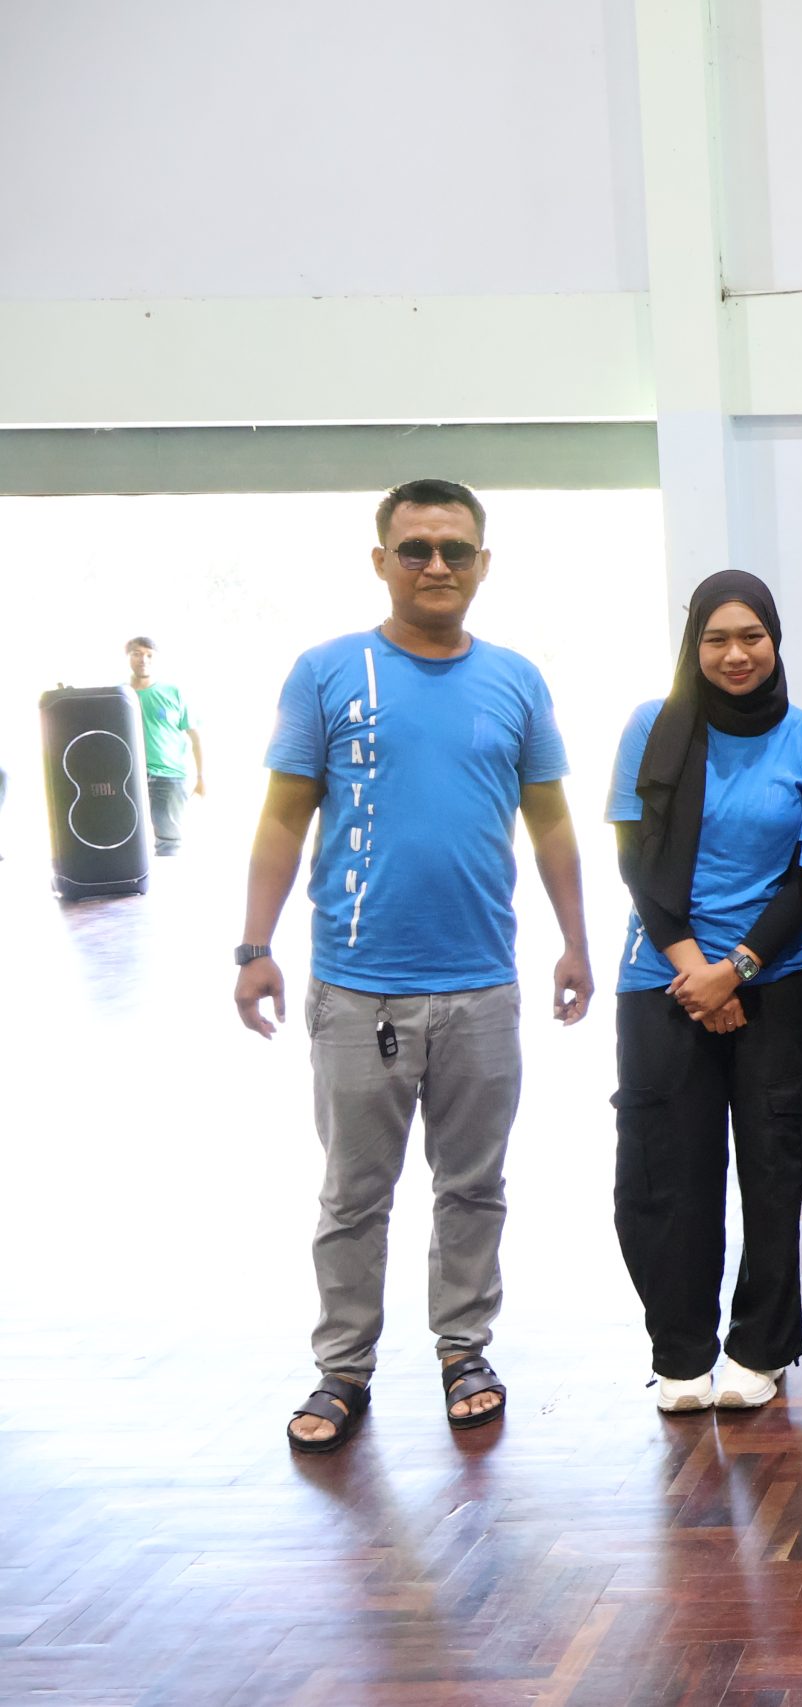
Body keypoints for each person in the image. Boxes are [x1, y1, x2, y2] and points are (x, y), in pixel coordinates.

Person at [233, 478, 592, 1454]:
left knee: (473, 1185)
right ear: (382, 560)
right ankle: (343, 1366)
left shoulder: (516, 679)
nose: (437, 565)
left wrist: (574, 940)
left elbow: (551, 822)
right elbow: (282, 817)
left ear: (483, 563)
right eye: (417, 548)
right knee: (354, 1193)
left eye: (455, 549)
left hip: (482, 985)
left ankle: (463, 1349)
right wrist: (256, 947)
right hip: (359, 989)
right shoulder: (328, 672)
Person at [606, 572, 802, 1413]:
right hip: (662, 980)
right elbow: (635, 857)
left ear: (774, 640)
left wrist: (734, 968)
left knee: (774, 1173)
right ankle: (680, 1348)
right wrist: (695, 967)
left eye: (751, 637)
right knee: (664, 1173)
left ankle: (759, 1347)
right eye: (717, 639)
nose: (736, 654)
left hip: (774, 978)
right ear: (694, 644)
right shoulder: (652, 727)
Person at [125, 636, 206, 856]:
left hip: (169, 777)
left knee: (169, 842)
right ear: (128, 657)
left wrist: (201, 777)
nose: (143, 659)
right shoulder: (119, 695)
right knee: (126, 839)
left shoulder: (173, 692)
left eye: (149, 655)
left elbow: (195, 737)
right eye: (137, 654)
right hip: (128, 777)